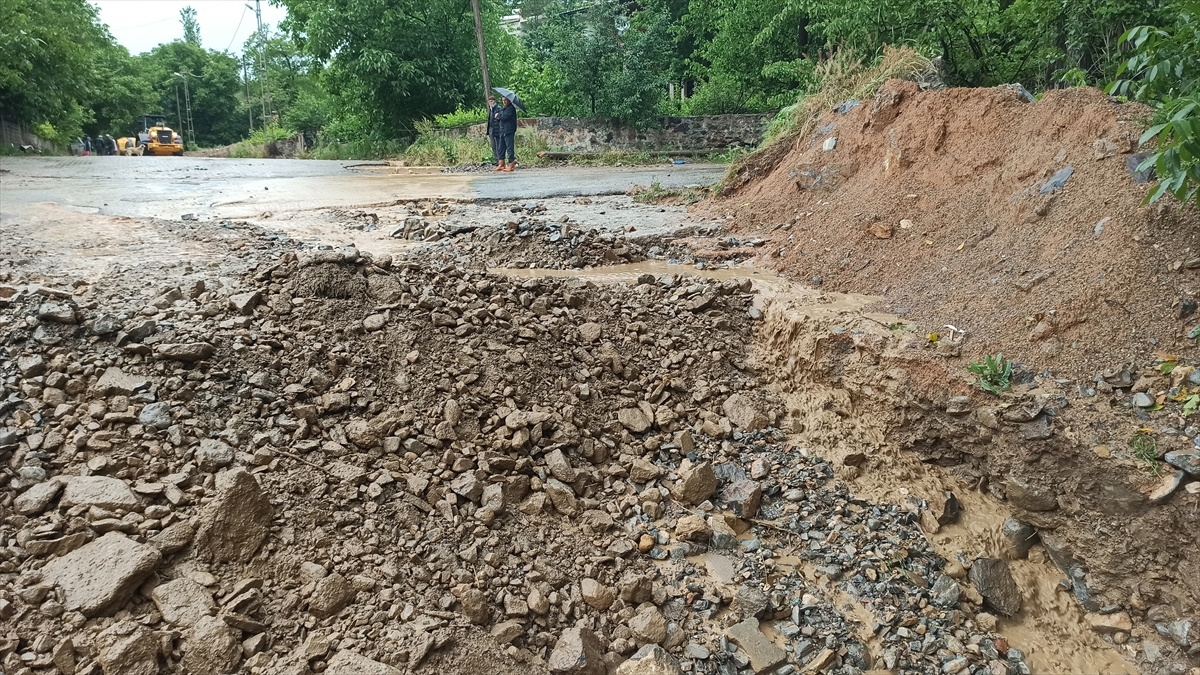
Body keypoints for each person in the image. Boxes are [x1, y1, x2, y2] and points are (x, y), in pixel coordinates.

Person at [495, 96, 518, 172]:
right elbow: (501, 117)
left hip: (509, 131)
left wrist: (498, 115)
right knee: (501, 148)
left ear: (509, 101)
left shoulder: (511, 109)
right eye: (503, 100)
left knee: (509, 148)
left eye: (505, 100)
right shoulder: (504, 109)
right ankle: (501, 164)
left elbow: (504, 117)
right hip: (502, 131)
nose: (504, 102)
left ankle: (511, 165)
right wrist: (499, 116)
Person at [485, 95, 503, 171]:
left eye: (492, 101)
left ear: (494, 101)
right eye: (489, 101)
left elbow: (500, 118)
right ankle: (496, 160)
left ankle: (500, 161)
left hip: (497, 129)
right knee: (493, 146)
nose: (490, 103)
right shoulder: (490, 109)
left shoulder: (498, 108)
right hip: (491, 129)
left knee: (498, 145)